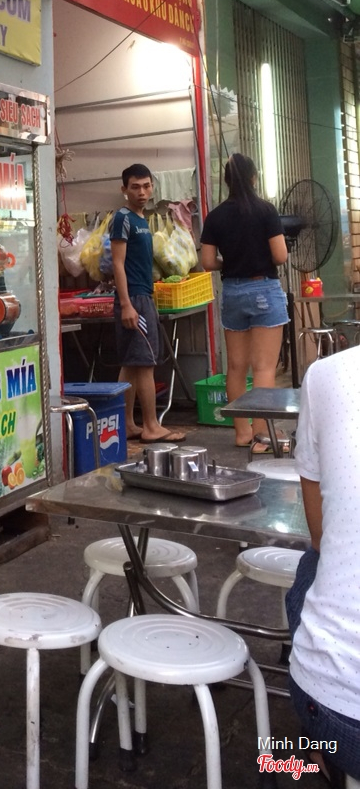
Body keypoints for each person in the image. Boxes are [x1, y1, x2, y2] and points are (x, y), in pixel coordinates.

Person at [284, 345, 360, 784]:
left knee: (313, 568)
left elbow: (319, 537)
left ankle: (309, 756)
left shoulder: (327, 375)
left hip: (336, 712)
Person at [199, 154, 288, 451]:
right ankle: (262, 437)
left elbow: (208, 262)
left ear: (226, 181)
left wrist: (231, 261)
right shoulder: (265, 210)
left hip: (233, 292)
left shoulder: (215, 216)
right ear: (254, 178)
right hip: (263, 289)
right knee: (263, 368)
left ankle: (242, 433)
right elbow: (280, 255)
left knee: (236, 367)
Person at [111, 163, 186, 443]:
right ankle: (152, 426)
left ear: (152, 187)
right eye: (135, 187)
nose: (141, 192)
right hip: (134, 299)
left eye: (146, 186)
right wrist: (126, 304)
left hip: (144, 296)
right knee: (145, 363)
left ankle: (127, 423)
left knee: (132, 363)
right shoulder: (122, 218)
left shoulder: (142, 220)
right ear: (124, 189)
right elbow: (117, 264)